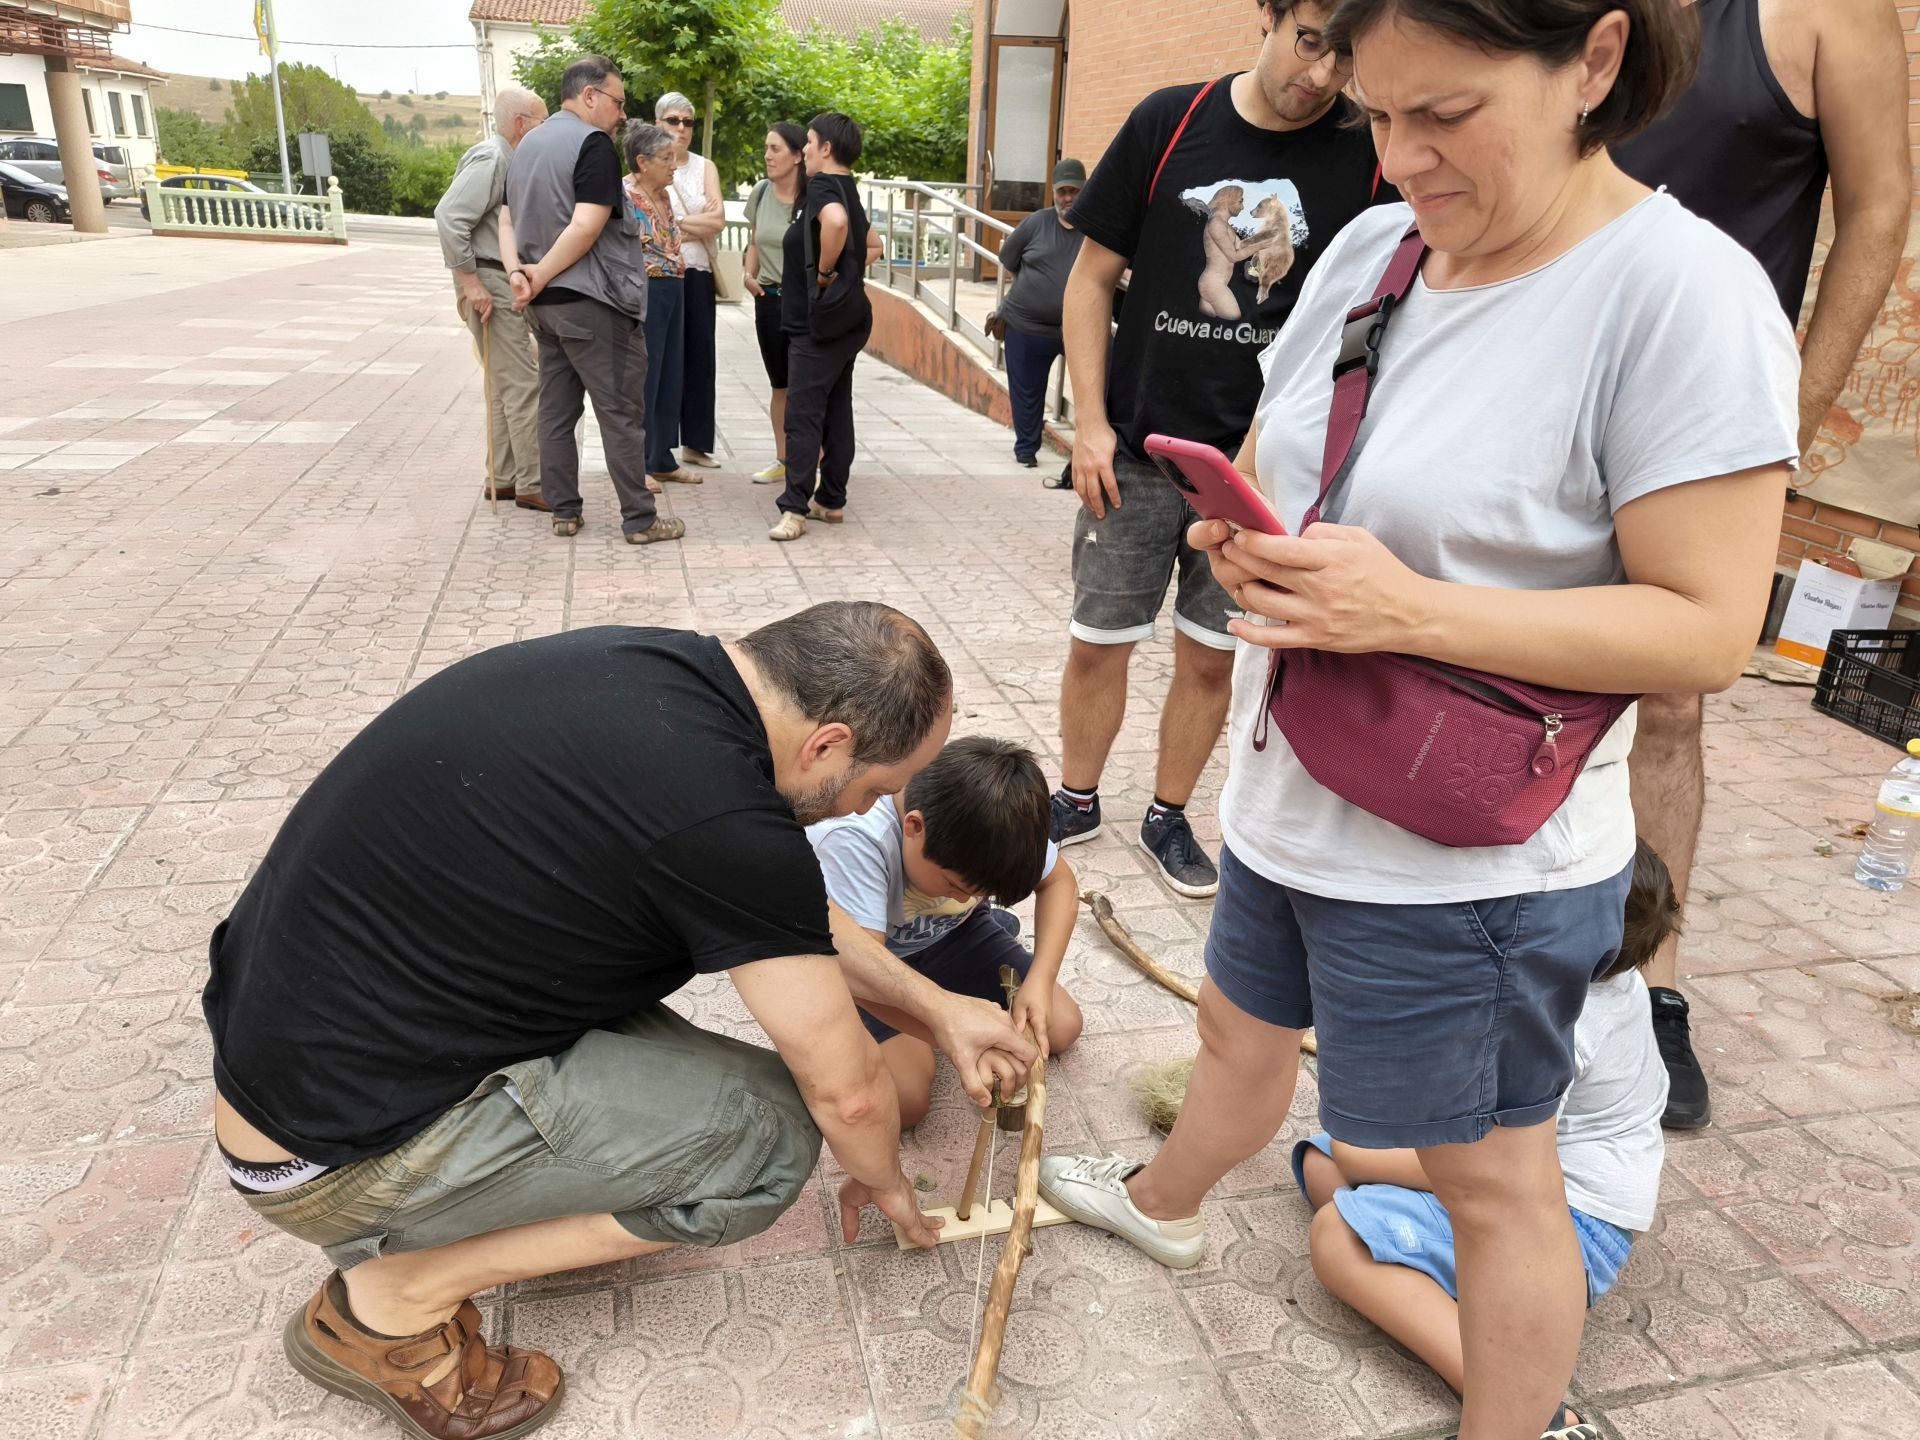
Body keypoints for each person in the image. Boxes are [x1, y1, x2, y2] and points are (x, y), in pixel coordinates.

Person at [1038, 3, 1801, 1437]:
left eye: (1443, 114)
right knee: (1236, 1039)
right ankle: (1166, 1201)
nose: (1399, 160)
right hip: (1298, 788)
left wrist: (1413, 613)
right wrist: (1248, 539)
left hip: (1473, 869)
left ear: (1593, 61)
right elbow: (1282, 460)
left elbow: (1705, 627)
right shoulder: (1374, 253)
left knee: (1491, 1179)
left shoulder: (1677, 296)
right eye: (1377, 117)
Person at [204, 601, 1038, 1440]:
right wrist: (885, 1180)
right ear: (826, 744)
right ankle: (392, 1301)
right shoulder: (725, 817)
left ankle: (421, 1220)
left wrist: (937, 1008)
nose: (864, 813)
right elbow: (849, 1096)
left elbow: (781, 905)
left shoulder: (655, 670)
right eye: (876, 789)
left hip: (294, 1062)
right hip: (328, 1160)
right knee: (771, 1139)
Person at [1608, 0, 1910, 1132]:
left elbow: (1879, 213)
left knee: (1670, 702)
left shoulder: (1824, 13)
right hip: (1544, 377)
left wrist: (1785, 422)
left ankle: (1654, 988)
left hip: (1700, 423)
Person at [1052, 0, 1393, 899]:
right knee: (1099, 640)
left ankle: (1168, 815)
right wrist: (1088, 422)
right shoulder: (1170, 121)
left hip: (1257, 471)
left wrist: (1280, 444)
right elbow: (1090, 280)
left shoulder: (1369, 157)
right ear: (1271, 16)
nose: (1321, 76)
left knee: (1212, 653)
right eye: (1309, 41)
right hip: (1132, 448)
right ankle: (1076, 797)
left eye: (1345, 56)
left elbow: (1372, 314)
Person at [1292, 840, 1678, 1440]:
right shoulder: (1584, 977)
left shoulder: (1556, 1028)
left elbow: (1508, 1170)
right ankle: (1476, 1297)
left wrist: (1368, 1153)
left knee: (1339, 1235)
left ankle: (1531, 1408)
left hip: (1569, 1224)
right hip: (1539, 1186)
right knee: (1321, 1161)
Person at [808, 736, 1084, 1126]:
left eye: (982, 893)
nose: (965, 897)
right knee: (905, 1100)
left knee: (1061, 1025)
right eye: (957, 887)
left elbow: (1060, 882)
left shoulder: (998, 820)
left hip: (951, 938)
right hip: (867, 965)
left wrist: (1040, 979)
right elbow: (862, 971)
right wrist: (952, 1032)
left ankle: (975, 950)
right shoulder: (855, 839)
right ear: (914, 827)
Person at [506, 56, 683, 546]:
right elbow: (586, 225)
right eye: (617, 101)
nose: (622, 113)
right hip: (591, 300)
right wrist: (539, 274)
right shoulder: (593, 145)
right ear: (589, 96)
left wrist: (522, 275)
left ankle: (564, 511)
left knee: (556, 411)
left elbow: (506, 219)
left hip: (544, 307)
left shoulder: (526, 145)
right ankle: (641, 519)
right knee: (620, 412)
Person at [770, 112, 884, 543]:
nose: (805, 152)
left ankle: (794, 509)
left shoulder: (822, 188)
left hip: (818, 321)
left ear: (827, 150)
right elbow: (875, 244)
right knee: (837, 408)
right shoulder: (848, 189)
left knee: (803, 414)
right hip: (848, 318)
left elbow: (834, 224)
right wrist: (847, 272)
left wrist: (824, 272)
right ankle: (830, 499)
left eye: (810, 143)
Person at [433, 88, 549, 512]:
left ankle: (503, 479)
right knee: (522, 384)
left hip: (493, 276)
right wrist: (470, 282)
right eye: (542, 120)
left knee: (504, 385)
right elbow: (449, 216)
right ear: (521, 123)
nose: (546, 128)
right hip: (487, 277)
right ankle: (533, 483)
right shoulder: (493, 158)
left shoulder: (503, 157)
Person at [622, 121, 703, 491]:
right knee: (645, 378)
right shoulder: (624, 194)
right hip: (645, 290)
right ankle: (636, 463)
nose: (674, 164)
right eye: (665, 158)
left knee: (672, 374)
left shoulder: (665, 195)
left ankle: (661, 458)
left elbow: (672, 239)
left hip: (674, 285)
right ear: (641, 161)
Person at [995, 158, 1086, 471]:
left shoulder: (1094, 228)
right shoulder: (1036, 223)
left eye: (1075, 190)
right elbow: (1009, 259)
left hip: (1078, 328)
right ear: (1054, 192)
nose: (1068, 197)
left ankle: (1089, 451)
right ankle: (1026, 449)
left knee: (1097, 389)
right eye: (1062, 191)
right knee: (1027, 392)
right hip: (1026, 325)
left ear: (1085, 190)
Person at [657, 92, 726, 472]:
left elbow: (717, 222)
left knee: (701, 357)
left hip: (697, 272)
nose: (681, 128)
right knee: (667, 359)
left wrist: (676, 224)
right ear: (658, 123)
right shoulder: (649, 163)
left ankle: (697, 444)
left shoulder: (705, 167)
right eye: (673, 120)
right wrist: (692, 225)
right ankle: (662, 444)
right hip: (663, 272)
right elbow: (650, 224)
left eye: (687, 122)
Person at [743, 122, 808, 485]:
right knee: (780, 385)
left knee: (808, 386)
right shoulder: (761, 192)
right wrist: (748, 277)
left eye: (776, 148)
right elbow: (755, 241)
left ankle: (813, 462)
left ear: (798, 155)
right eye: (766, 148)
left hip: (806, 303)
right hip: (768, 300)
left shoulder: (815, 195)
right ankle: (784, 459)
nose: (767, 156)